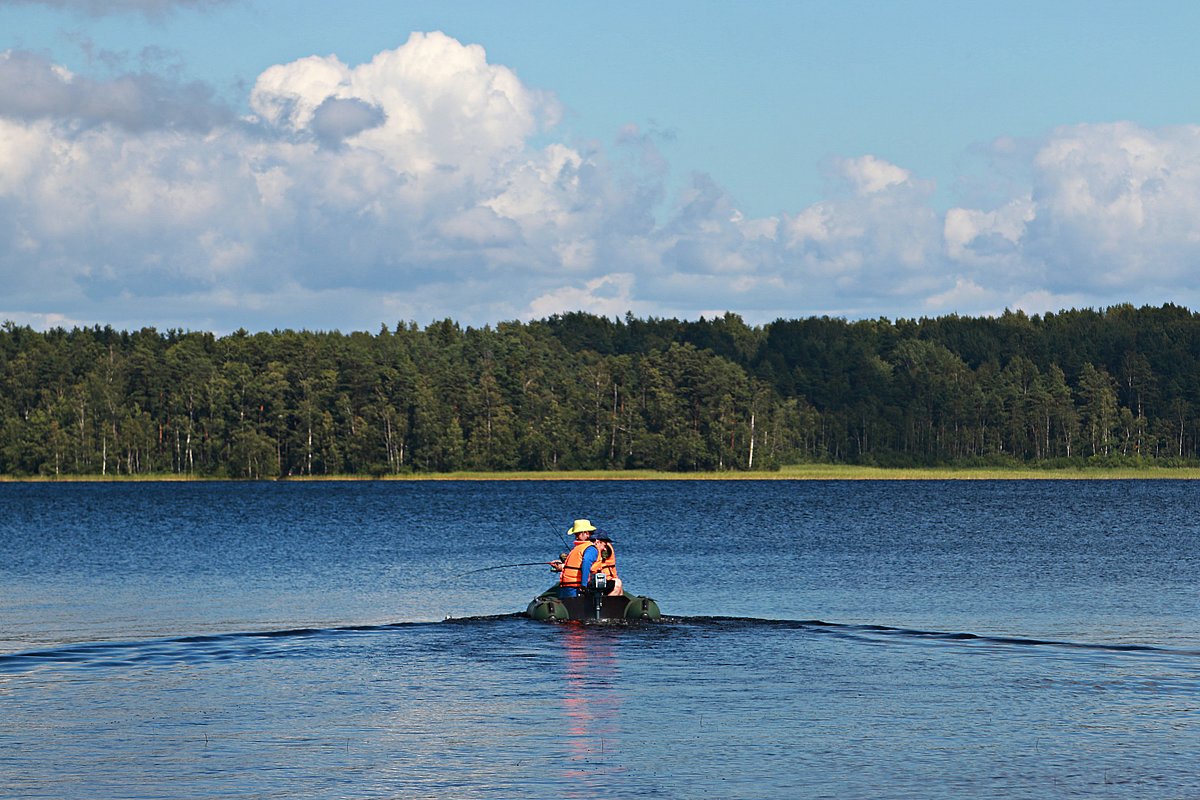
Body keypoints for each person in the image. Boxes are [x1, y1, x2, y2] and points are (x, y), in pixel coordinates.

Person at [550, 519, 599, 598]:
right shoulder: (579, 547)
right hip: (568, 586)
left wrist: (584, 585)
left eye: (577, 534)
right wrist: (561, 565)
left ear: (586, 533)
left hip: (576, 587)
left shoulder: (590, 548)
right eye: (575, 534)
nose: (575, 537)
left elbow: (586, 563)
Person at [590, 531, 624, 596]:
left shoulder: (608, 550)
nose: (605, 548)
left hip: (606, 580)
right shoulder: (591, 551)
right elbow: (592, 570)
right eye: (604, 544)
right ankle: (606, 604)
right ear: (597, 542)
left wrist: (615, 578)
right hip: (594, 582)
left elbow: (612, 568)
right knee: (618, 584)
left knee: (618, 583)